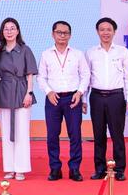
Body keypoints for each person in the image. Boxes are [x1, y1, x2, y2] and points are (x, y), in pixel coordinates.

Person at [38, 20, 90, 182]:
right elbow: (41, 77)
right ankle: (55, 168)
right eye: (59, 32)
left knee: (75, 135)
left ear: (70, 35)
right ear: (52, 34)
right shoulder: (46, 54)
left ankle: (74, 169)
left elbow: (85, 75)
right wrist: (48, 92)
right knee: (52, 135)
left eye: (65, 33)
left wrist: (80, 93)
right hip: (53, 99)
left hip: (73, 98)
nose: (62, 35)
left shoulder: (78, 54)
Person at [85, 17, 128, 182]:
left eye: (109, 29)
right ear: (97, 32)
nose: (105, 32)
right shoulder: (90, 52)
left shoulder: (122, 51)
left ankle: (119, 169)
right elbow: (87, 78)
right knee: (98, 135)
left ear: (114, 32)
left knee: (117, 135)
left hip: (116, 97)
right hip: (97, 97)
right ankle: (99, 169)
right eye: (102, 29)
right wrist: (84, 99)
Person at [0, 18, 38, 181]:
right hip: (4, 92)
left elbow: (30, 73)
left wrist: (29, 93)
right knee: (6, 132)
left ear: (18, 31)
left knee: (22, 132)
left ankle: (21, 168)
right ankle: (9, 168)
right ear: (2, 32)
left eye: (12, 28)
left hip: (21, 91)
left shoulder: (25, 50)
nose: (9, 31)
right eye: (6, 29)